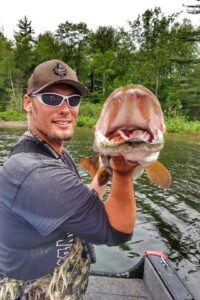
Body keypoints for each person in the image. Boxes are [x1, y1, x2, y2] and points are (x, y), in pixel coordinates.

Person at [0, 59, 137, 299]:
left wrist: (106, 169)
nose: (66, 109)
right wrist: (124, 174)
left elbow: (83, 201)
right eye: (52, 98)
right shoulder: (35, 173)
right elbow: (117, 232)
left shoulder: (55, 154)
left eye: (73, 100)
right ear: (27, 103)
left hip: (64, 275)